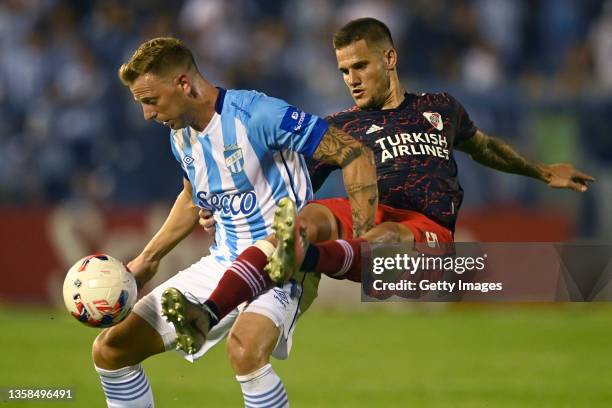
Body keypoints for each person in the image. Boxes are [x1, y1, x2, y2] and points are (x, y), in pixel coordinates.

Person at [187, 16, 594, 334]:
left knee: (388, 239)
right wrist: (223, 209)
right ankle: (209, 310)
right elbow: (286, 181)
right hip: (368, 218)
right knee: (306, 220)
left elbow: (484, 146)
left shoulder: (440, 107)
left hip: (425, 233)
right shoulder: (341, 127)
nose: (352, 79)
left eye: (360, 66)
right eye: (344, 70)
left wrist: (543, 173)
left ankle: (308, 259)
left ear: (389, 59)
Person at [91, 37, 378, 408]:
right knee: (111, 351)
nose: (147, 114)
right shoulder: (180, 136)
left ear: (183, 83)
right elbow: (193, 198)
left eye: (151, 100)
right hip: (223, 261)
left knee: (244, 352)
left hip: (280, 262)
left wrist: (363, 241)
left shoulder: (259, 114)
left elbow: (352, 152)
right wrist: (148, 259)